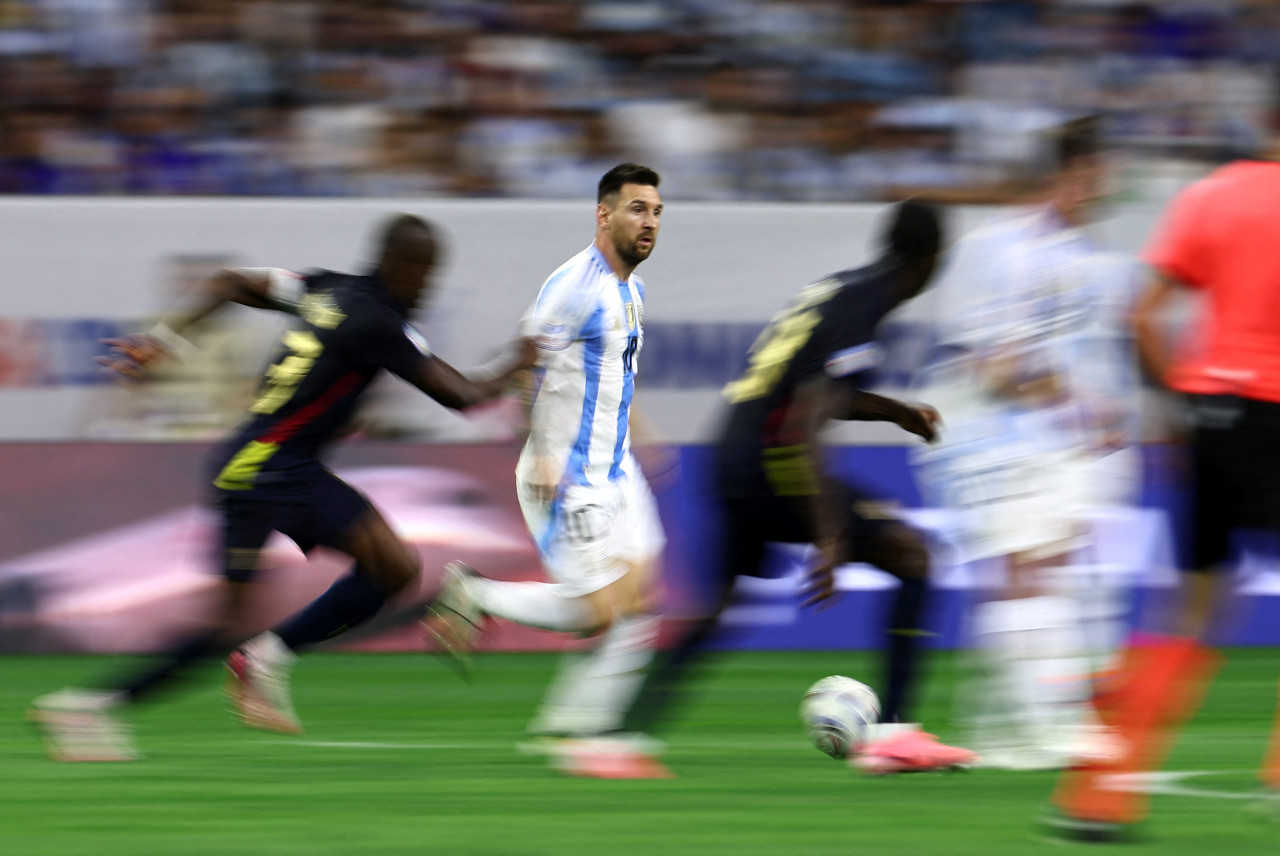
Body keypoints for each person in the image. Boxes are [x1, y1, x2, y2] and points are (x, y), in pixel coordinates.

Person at [29, 213, 536, 761]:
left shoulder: (322, 289)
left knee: (239, 618)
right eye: (424, 272)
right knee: (391, 568)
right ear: (402, 265)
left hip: (251, 462)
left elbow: (230, 282)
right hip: (277, 467)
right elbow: (462, 395)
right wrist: (523, 357)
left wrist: (162, 339)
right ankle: (261, 658)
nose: (427, 286)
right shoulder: (380, 321)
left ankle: (89, 707)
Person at [615, 199, 977, 775]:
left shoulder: (843, 289)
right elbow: (806, 419)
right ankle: (895, 738)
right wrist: (831, 537)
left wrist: (894, 412)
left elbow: (819, 392)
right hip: (772, 460)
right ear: (933, 261)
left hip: (731, 451)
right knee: (913, 556)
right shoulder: (869, 305)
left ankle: (620, 739)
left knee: (716, 610)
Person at [1046, 125, 1280, 842]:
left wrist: (1178, 411)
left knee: (1191, 615)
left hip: (1209, 416)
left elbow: (1141, 316)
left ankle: (1097, 799)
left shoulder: (1208, 196)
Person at [424, 163, 671, 779]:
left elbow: (613, 376)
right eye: (637, 209)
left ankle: (584, 732)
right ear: (603, 214)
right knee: (597, 614)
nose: (649, 222)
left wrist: (644, 435)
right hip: (567, 474)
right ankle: (472, 592)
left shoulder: (631, 292)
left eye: (657, 211)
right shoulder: (573, 285)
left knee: (642, 600)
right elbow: (527, 364)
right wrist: (537, 448)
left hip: (617, 470)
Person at [912, 117, 1135, 771]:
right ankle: (1050, 728)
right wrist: (1077, 402)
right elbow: (992, 362)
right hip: (989, 437)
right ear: (1075, 172)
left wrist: (1095, 414)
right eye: (1102, 171)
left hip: (1048, 441)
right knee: (1026, 570)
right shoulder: (1002, 249)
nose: (1109, 186)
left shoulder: (1084, 258)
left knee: (1044, 570)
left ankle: (1022, 721)